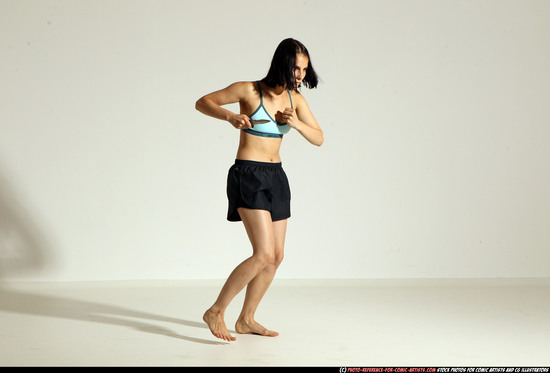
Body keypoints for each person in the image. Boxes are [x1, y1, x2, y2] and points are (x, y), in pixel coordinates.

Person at [195, 38, 323, 341]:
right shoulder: (248, 90)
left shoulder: (296, 101)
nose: (300, 75)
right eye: (296, 68)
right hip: (248, 174)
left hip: (276, 176)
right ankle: (216, 310)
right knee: (263, 253)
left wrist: (297, 123)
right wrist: (230, 116)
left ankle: (246, 319)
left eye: (304, 70)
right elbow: (203, 102)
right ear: (281, 64)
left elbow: (318, 138)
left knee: (277, 256)